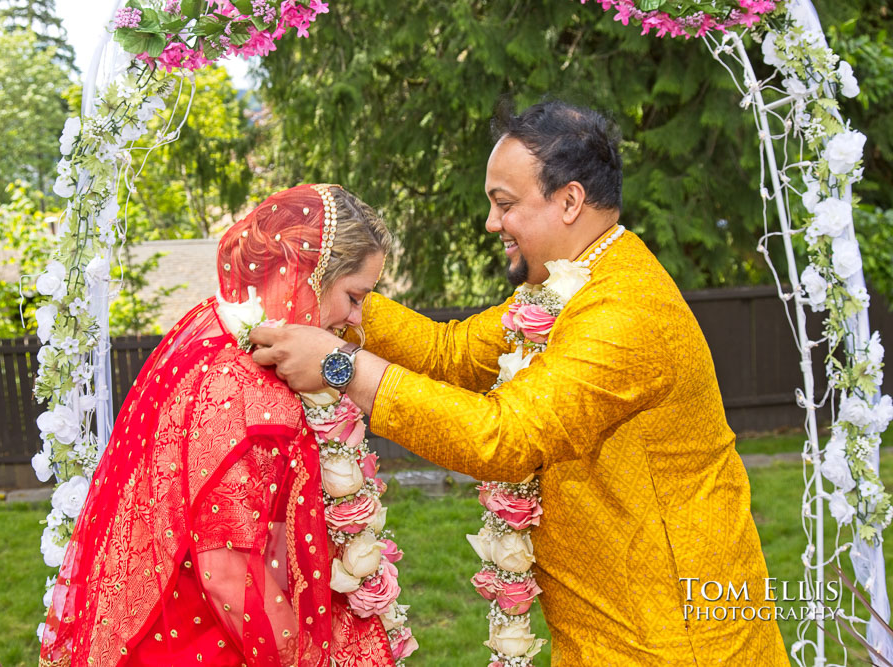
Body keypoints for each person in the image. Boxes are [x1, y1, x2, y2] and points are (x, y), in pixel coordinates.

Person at [250, 101, 790, 665]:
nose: (490, 223)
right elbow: (449, 353)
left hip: (674, 637)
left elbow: (505, 438)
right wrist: (338, 295)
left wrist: (341, 366)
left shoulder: (626, 310)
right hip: (604, 627)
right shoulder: (563, 288)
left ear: (570, 200)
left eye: (504, 205)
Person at [39, 184, 399, 667]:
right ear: (304, 275)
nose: (355, 320)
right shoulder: (247, 390)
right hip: (212, 643)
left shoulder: (214, 333)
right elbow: (228, 571)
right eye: (353, 297)